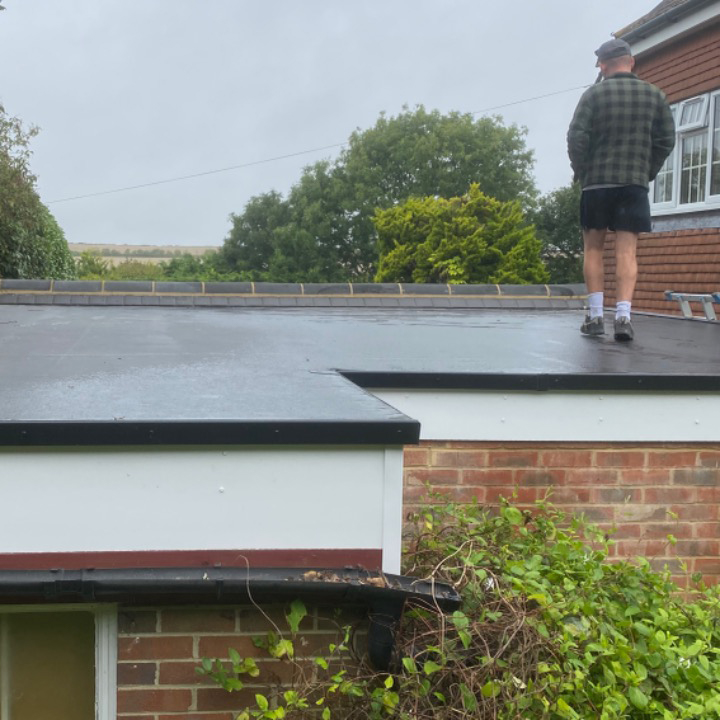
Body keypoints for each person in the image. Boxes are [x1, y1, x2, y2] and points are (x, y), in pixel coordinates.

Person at [567, 38, 675, 341]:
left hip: (597, 183)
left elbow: (577, 137)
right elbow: (666, 140)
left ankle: (596, 316)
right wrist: (646, 171)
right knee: (628, 251)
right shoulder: (655, 96)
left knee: (593, 248)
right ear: (632, 62)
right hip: (633, 184)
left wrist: (583, 170)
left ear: (603, 65)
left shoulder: (593, 95)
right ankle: (624, 318)